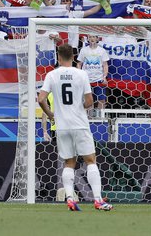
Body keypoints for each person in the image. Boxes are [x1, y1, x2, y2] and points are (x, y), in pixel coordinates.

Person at [37, 43, 112, 212]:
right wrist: (81, 106)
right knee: (90, 160)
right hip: (79, 124)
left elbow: (41, 99)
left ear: (58, 57)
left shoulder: (52, 75)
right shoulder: (81, 74)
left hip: (61, 126)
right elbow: (89, 101)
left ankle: (70, 199)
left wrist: (50, 115)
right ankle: (98, 200)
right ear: (73, 56)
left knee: (69, 163)